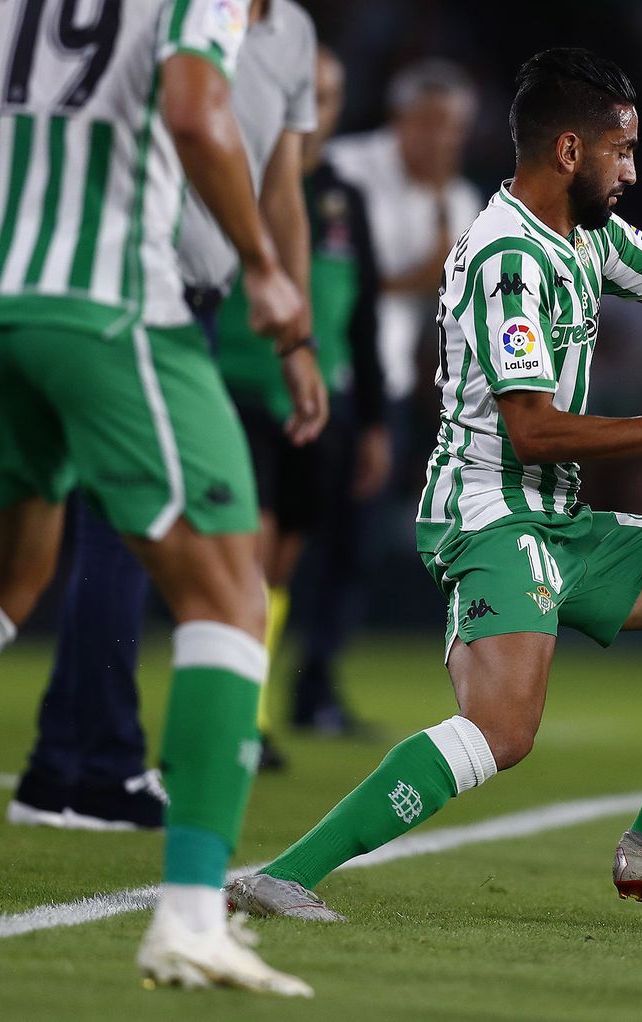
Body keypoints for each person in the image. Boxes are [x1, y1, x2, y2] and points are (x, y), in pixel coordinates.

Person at [226, 47, 642, 923]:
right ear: (567, 152)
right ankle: (285, 874)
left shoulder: (585, 233)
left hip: (555, 517)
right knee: (503, 732)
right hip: (489, 511)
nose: (631, 170)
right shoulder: (507, 257)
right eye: (620, 152)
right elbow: (534, 428)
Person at [0, 0, 326, 995]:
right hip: (113, 305)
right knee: (231, 591)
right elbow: (199, 111)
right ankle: (193, 916)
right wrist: (262, 267)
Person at [212, 45, 387, 733]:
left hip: (324, 403)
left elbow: (365, 314)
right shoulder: (233, 174)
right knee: (250, 560)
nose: (317, 110)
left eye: (330, 96)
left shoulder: (346, 199)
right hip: (243, 388)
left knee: (280, 566)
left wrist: (372, 421)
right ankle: (238, 724)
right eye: (305, 92)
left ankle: (247, 713)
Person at [324, 58, 481, 477]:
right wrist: (419, 279)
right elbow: (322, 275)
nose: (441, 139)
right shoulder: (343, 166)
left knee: (363, 533)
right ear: (398, 117)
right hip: (322, 367)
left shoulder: (462, 202)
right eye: (429, 122)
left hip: (389, 382)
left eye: (453, 127)